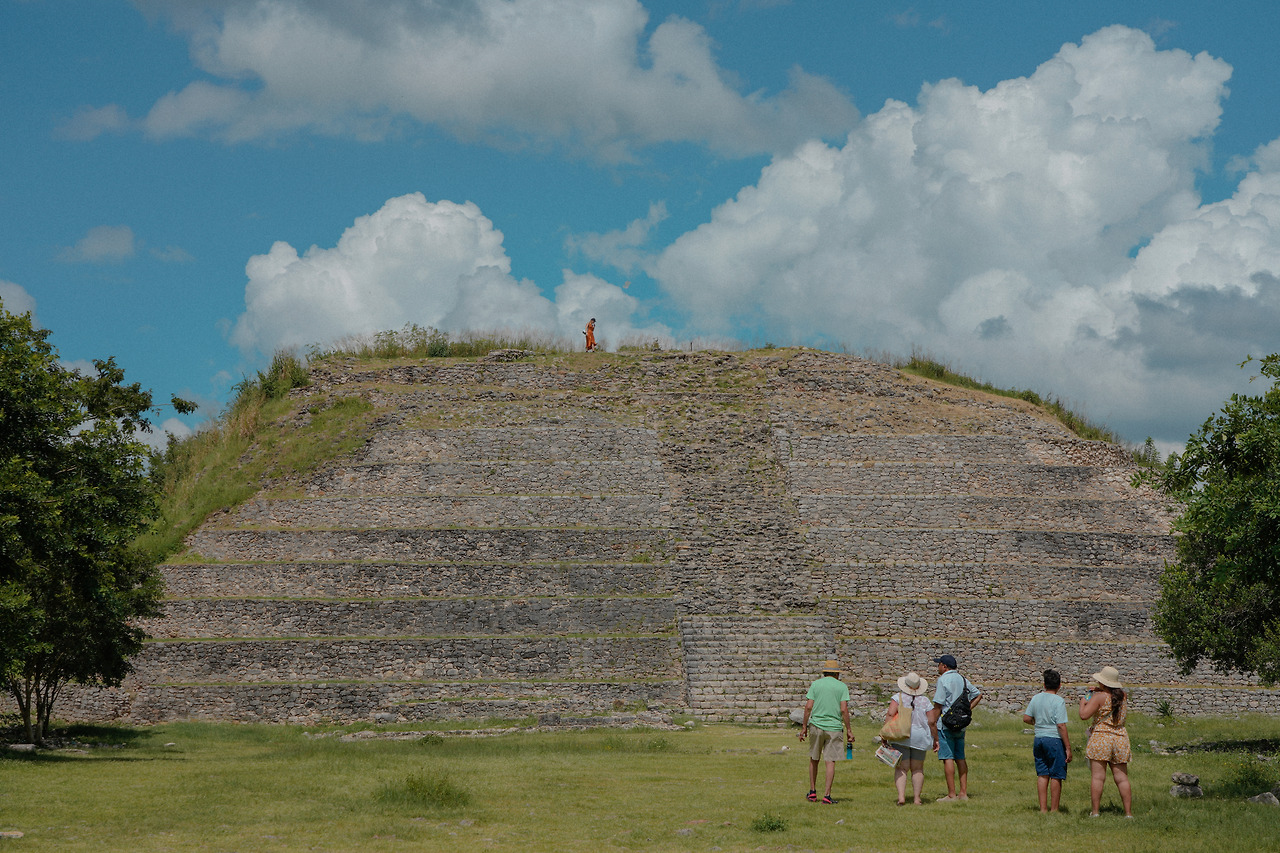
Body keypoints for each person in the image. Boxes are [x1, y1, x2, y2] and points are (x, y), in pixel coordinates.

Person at [798, 659, 854, 804]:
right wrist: (849, 730)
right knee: (830, 761)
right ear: (837, 674)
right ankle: (827, 795)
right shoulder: (842, 687)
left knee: (814, 758)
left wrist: (804, 727)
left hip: (816, 726)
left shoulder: (816, 684)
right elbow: (844, 709)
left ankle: (812, 792)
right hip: (834, 727)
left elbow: (808, 707)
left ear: (824, 673)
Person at [927, 653, 982, 801]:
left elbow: (938, 703)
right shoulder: (962, 679)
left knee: (948, 758)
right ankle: (963, 793)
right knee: (960, 757)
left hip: (946, 723)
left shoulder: (943, 680)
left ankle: (951, 794)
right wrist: (967, 709)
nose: (938, 667)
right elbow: (978, 695)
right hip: (961, 724)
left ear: (944, 666)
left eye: (939, 664)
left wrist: (933, 722)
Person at [1079, 665, 1133, 818]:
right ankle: (1128, 813)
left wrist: (1083, 702)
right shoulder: (1123, 696)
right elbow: (1111, 697)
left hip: (1101, 737)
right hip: (1120, 737)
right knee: (1122, 778)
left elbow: (1084, 715)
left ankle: (1095, 812)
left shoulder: (1099, 697)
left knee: (1098, 777)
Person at [1022, 669, 1073, 812]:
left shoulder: (1036, 698)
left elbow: (1026, 718)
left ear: (1044, 685)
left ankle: (1043, 809)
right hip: (1054, 739)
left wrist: (1037, 723)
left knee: (1042, 773)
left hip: (1039, 738)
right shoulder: (1058, 701)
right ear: (1059, 686)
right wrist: (1068, 747)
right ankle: (1054, 809)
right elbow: (1061, 725)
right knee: (1056, 775)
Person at [886, 671, 931, 805]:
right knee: (917, 769)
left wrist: (885, 733)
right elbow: (932, 720)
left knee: (901, 768)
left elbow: (890, 714)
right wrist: (935, 737)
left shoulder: (897, 698)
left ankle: (901, 797)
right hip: (920, 736)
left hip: (901, 735)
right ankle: (917, 798)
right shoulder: (925, 701)